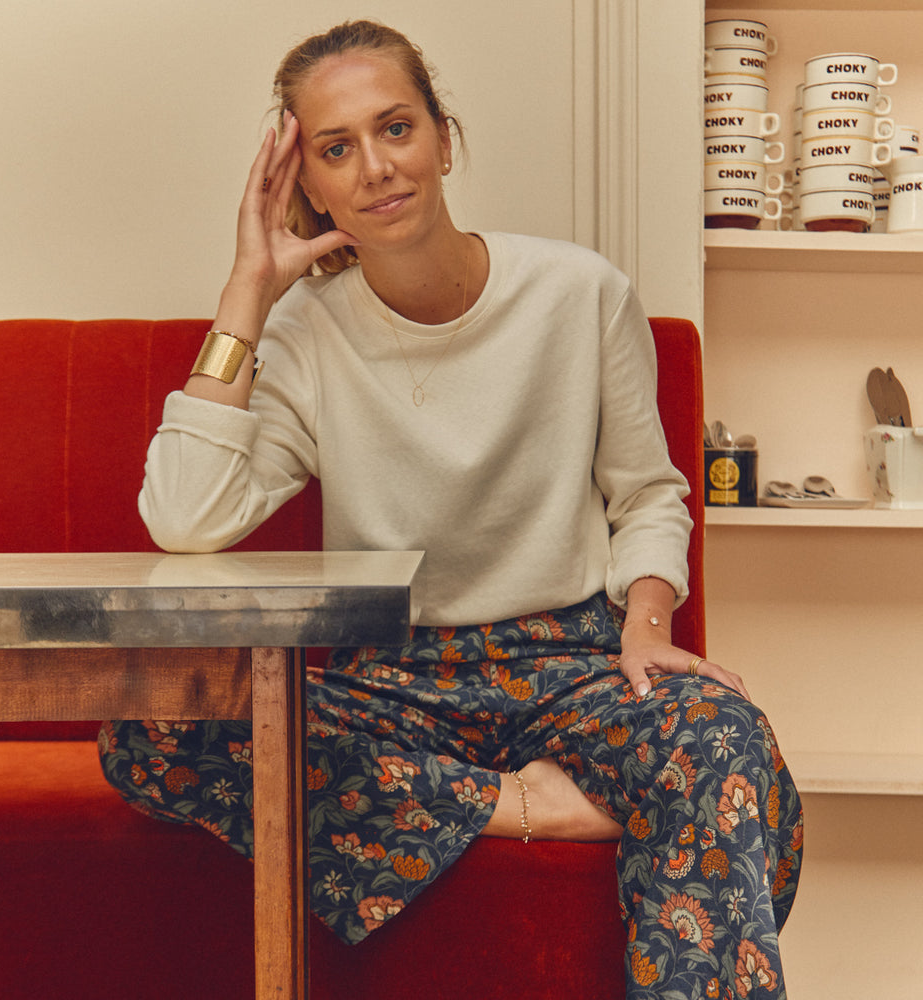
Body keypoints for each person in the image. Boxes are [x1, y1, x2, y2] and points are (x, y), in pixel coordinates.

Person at [99, 19, 802, 997]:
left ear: (443, 138)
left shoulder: (580, 293)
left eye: (396, 129)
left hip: (567, 664)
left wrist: (645, 627)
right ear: (309, 186)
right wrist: (247, 289)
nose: (375, 167)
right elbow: (184, 515)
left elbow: (648, 494)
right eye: (336, 149)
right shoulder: (305, 334)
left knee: (724, 736)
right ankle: (529, 806)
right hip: (392, 676)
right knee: (157, 726)